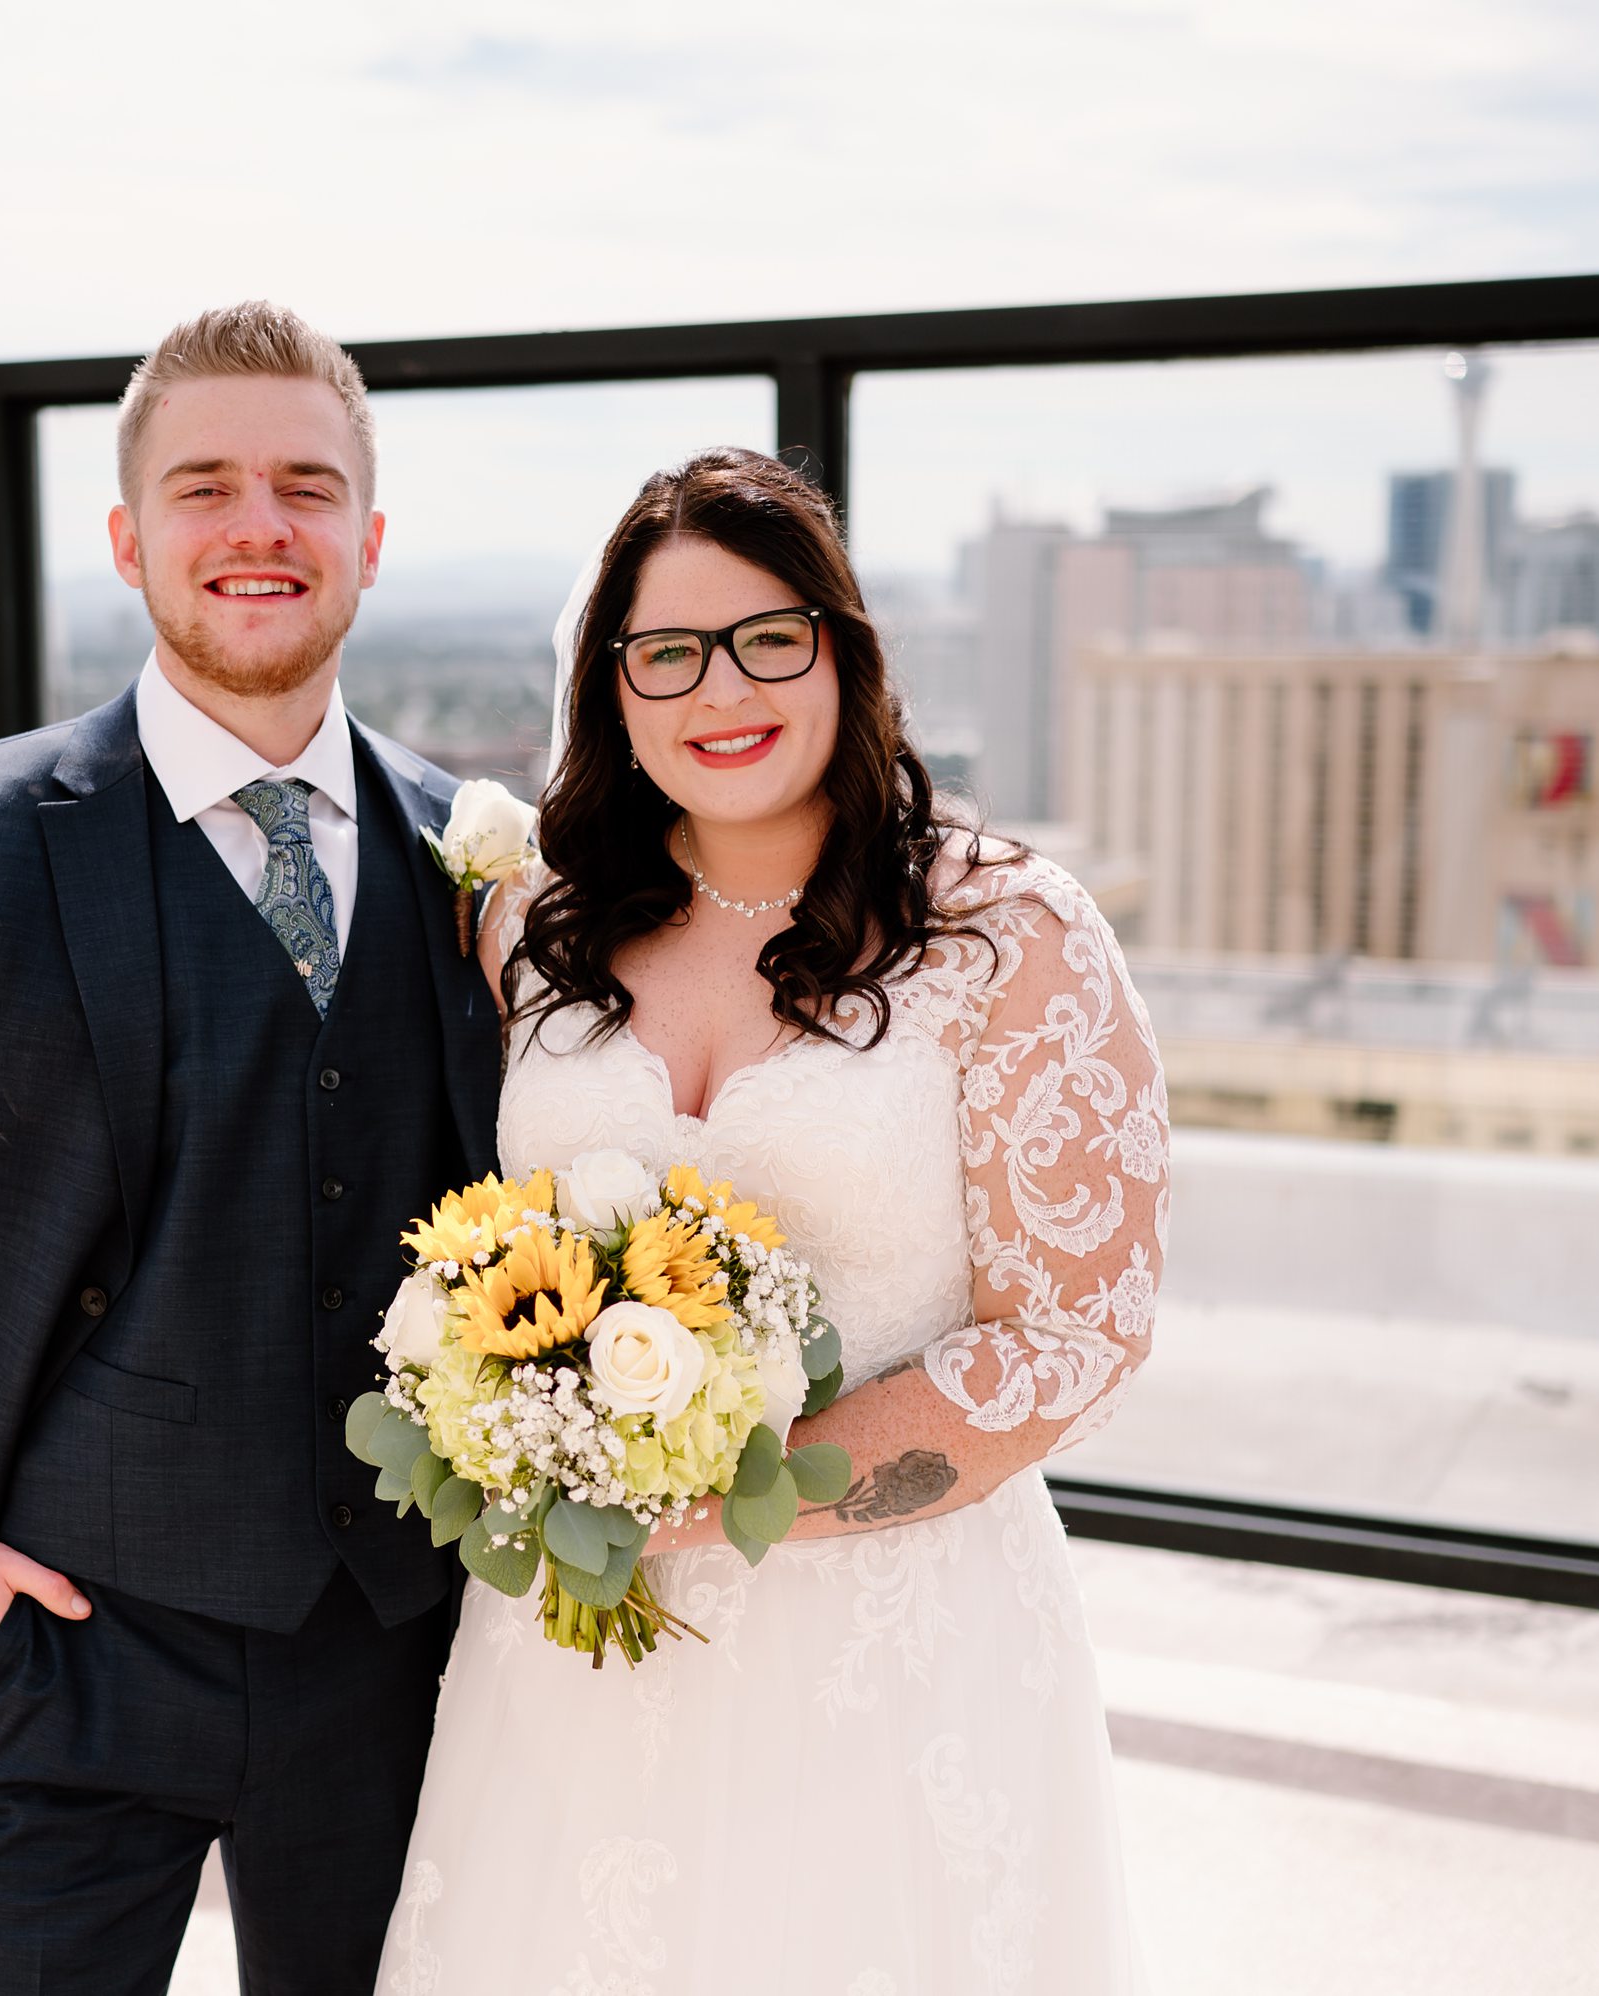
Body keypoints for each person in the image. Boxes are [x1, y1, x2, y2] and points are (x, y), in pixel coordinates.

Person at [0, 301, 500, 1995]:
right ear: (128, 537)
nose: (258, 525)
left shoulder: (479, 856)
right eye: (206, 484)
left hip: (394, 1655)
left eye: (307, 487)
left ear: (367, 542)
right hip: (58, 1637)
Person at [377, 448, 1168, 1993]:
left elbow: (1078, 1330)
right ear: (611, 685)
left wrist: (739, 1489)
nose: (716, 688)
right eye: (665, 651)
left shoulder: (1003, 934)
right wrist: (534, 1420)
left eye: (766, 637)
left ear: (843, 650)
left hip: (897, 1652)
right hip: (573, 1643)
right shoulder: (532, 932)